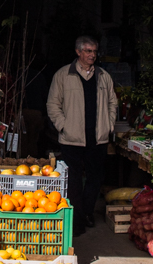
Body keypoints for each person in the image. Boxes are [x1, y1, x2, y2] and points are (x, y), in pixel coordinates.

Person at [46, 36, 117, 235]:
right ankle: (76, 220)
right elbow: (52, 104)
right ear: (78, 52)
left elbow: (113, 102)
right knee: (74, 180)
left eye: (94, 52)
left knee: (95, 178)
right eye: (88, 51)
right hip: (72, 138)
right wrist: (63, 126)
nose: (92, 55)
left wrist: (109, 124)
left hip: (98, 138)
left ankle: (87, 212)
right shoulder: (63, 75)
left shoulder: (103, 76)